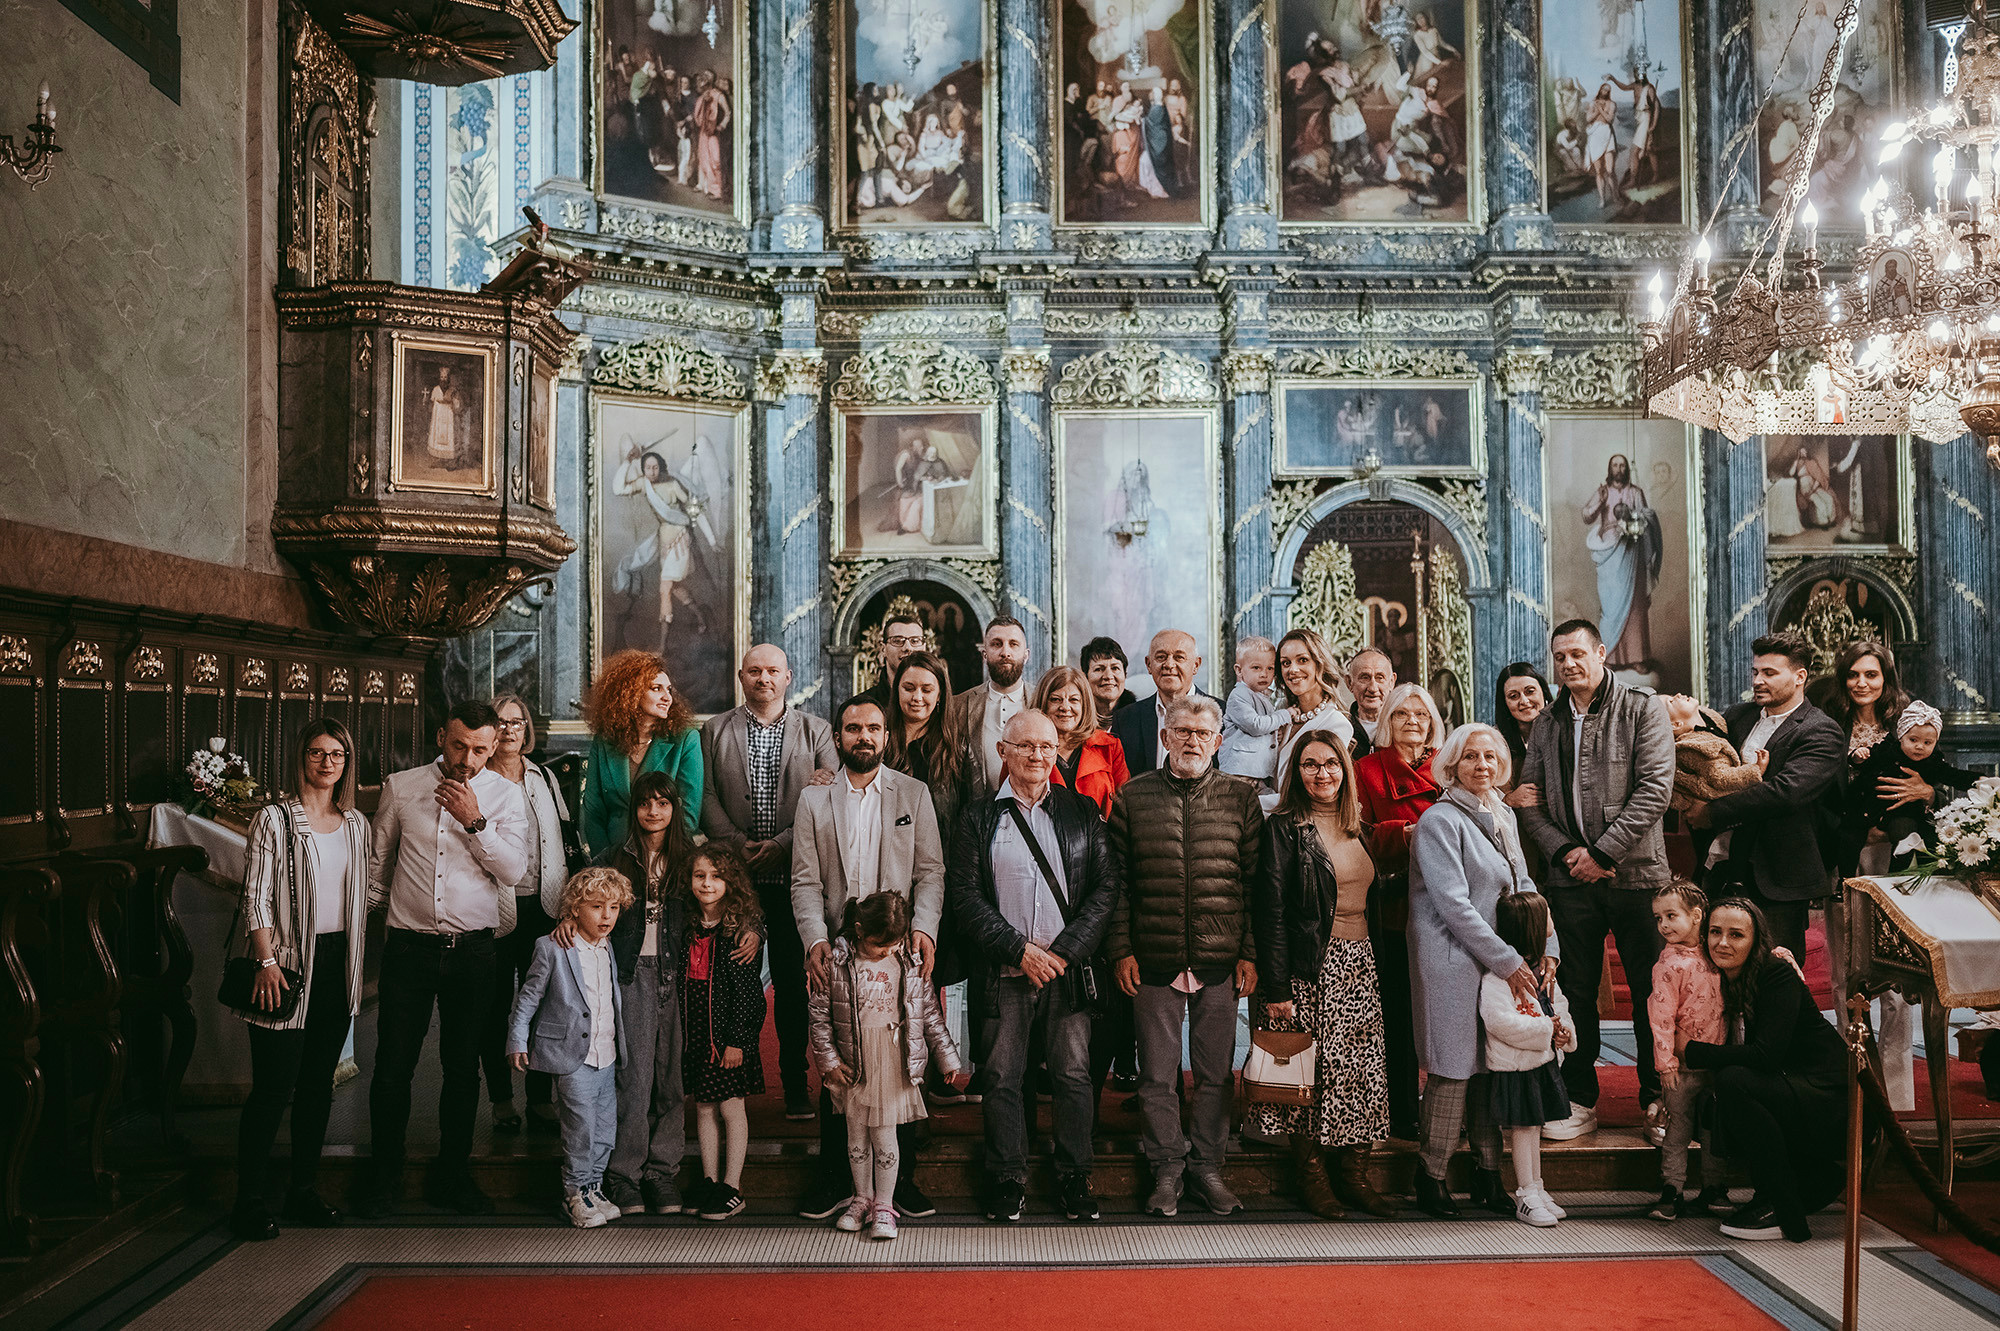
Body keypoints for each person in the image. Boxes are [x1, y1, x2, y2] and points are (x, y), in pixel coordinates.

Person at [946, 710, 1118, 1224]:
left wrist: (1063, 953)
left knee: (1072, 1074)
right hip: (1006, 970)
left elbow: (1105, 890)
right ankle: (1005, 1178)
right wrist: (1018, 950)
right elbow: (966, 898)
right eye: (1026, 746)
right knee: (1001, 1075)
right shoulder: (978, 818)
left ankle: (1074, 1175)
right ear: (1004, 752)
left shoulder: (1082, 812)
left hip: (1065, 969)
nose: (1038, 756)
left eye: (1046, 746)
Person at [360, 701, 531, 1217]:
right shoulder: (402, 786)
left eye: (481, 749)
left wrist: (474, 821)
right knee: (392, 1067)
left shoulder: (506, 795)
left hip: (474, 951)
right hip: (409, 948)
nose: (468, 758)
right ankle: (384, 1177)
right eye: (459, 746)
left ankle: (453, 1176)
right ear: (441, 736)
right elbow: (377, 865)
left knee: (462, 1069)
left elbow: (514, 871)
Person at [1515, 619, 1675, 1139]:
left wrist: (1603, 852)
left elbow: (1655, 790)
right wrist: (1566, 853)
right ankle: (1580, 1096)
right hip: (1570, 881)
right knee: (1575, 990)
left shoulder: (1641, 707)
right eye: (1560, 657)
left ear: (1601, 652)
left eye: (1578, 654)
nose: (1569, 665)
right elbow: (1530, 798)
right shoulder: (1547, 722)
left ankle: (1657, 1098)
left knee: (1652, 990)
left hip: (1636, 875)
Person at [790, 695, 946, 1220]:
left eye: (874, 729)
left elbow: (930, 872)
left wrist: (923, 928)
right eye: (853, 728)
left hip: (897, 948)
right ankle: (836, 1177)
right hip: (838, 948)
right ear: (838, 737)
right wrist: (814, 939)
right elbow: (806, 880)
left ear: (886, 737)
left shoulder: (913, 793)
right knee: (840, 1061)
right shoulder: (815, 800)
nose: (864, 737)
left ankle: (901, 1183)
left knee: (902, 1060)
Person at [1107, 694, 1262, 1219]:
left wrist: (1249, 953)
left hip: (1221, 958)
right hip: (1152, 955)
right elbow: (1119, 885)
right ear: (1166, 737)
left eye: (1202, 733)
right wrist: (1122, 949)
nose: (1192, 740)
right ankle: (1167, 1168)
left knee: (1215, 1073)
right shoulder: (1133, 796)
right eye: (1182, 731)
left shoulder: (1240, 799)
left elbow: (1251, 882)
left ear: (1218, 741)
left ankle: (1208, 1167)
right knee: (1156, 1074)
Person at [230, 719, 371, 1240]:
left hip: (339, 963)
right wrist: (265, 960)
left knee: (317, 1088)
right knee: (272, 1088)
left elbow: (365, 894)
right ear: (302, 757)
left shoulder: (356, 823)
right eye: (317, 752)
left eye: (337, 754)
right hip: (285, 963)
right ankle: (249, 1201)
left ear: (347, 762)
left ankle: (303, 1190)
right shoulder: (275, 819)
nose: (327, 762)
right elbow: (255, 896)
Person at [1407, 721, 1550, 1219]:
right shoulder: (1439, 821)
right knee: (1453, 1070)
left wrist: (1545, 943)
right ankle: (1432, 1176)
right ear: (1451, 764)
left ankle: (1489, 1176)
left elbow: (1524, 881)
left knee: (1492, 1066)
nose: (1482, 766)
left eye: (1491, 757)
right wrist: (1510, 961)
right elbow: (1453, 904)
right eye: (1470, 757)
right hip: (1451, 960)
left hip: (1497, 960)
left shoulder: (1502, 813)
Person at [1250, 731, 1394, 1221]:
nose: (1322, 774)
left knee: (1360, 1074)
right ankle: (1313, 1179)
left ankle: (1354, 1177)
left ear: (1345, 769)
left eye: (1331, 763)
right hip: (1309, 968)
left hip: (1360, 964)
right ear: (1296, 772)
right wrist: (1277, 987)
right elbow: (1269, 913)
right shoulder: (1284, 828)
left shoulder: (1361, 827)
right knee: (1309, 1078)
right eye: (1309, 765)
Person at [699, 644, 836, 1119]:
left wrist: (780, 843)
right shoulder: (714, 730)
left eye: (773, 671)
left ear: (788, 677)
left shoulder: (816, 731)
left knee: (793, 988)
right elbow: (706, 795)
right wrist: (736, 845)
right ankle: (726, 1082)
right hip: (734, 880)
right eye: (755, 671)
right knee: (731, 980)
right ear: (742, 676)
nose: (764, 678)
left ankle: (796, 1082)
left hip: (793, 876)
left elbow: (828, 800)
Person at [1685, 898, 1848, 1243]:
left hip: (1826, 1095)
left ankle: (1785, 1209)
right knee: (1719, 1093)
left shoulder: (1775, 974)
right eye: (1715, 932)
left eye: (1736, 935)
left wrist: (1695, 1052)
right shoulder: (1716, 977)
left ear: (1755, 940)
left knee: (1735, 1082)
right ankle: (1780, 1191)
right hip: (1790, 1085)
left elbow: (1766, 1055)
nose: (1723, 943)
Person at [810, 892, 967, 1241]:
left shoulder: (909, 962)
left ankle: (884, 1203)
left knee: (884, 1135)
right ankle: (860, 1198)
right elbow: (819, 1017)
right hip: (854, 1062)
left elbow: (928, 1013)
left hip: (892, 1062)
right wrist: (829, 1062)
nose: (885, 952)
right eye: (879, 946)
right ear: (860, 929)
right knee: (855, 1136)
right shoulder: (837, 961)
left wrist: (947, 1056)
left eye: (892, 944)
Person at [1685, 631, 1847, 959]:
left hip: (1779, 872)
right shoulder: (1737, 716)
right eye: (1755, 672)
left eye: (1770, 673)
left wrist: (1712, 812)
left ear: (1800, 677)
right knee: (1719, 972)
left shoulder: (1821, 729)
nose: (1759, 680)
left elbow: (1785, 793)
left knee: (1777, 976)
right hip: (1724, 866)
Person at [506, 867, 631, 1228]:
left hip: (606, 1052)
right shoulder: (553, 947)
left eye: (613, 907)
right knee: (580, 1127)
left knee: (605, 1127)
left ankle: (594, 1187)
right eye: (596, 907)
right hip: (571, 1057)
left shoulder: (611, 944)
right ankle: (574, 1193)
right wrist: (517, 1037)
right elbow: (528, 996)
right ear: (574, 909)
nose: (606, 916)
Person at [1352, 682, 1448, 1140]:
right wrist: (1406, 835)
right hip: (1393, 907)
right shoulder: (1365, 771)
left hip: (1447, 908)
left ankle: (1451, 1110)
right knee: (1400, 1014)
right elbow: (1355, 835)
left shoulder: (1449, 768)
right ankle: (1403, 1110)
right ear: (1385, 722)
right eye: (1401, 714)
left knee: (1448, 1013)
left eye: (1422, 715)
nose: (1413, 721)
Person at [480, 694, 575, 1139]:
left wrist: (571, 906)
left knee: (545, 1007)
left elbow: (567, 840)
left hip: (545, 906)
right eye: (500, 722)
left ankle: (540, 1099)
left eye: (517, 722)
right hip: (494, 907)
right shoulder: (476, 780)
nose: (509, 730)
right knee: (495, 1007)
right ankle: (501, 1101)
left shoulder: (544, 776)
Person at [680, 843, 766, 1222]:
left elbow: (751, 998)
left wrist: (739, 1041)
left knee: (731, 1108)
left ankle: (733, 1185)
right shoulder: (686, 926)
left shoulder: (740, 934)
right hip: (698, 1035)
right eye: (700, 876)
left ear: (732, 883)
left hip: (728, 1039)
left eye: (716, 876)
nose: (708, 883)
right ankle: (710, 1181)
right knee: (703, 1108)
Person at [1482, 890, 1576, 1227]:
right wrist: (1543, 1029)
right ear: (1533, 927)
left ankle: (1537, 1186)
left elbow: (1558, 1005)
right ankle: (1525, 1193)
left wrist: (1563, 1031)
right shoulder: (1499, 977)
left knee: (1535, 1127)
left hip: (1541, 1062)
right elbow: (1498, 1021)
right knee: (1523, 1130)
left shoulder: (1543, 969)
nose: (1553, 922)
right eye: (1547, 916)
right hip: (1517, 1067)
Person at [582, 650, 703, 858]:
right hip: (613, 855)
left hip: (667, 857)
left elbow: (689, 814)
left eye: (669, 690)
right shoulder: (604, 741)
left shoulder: (685, 739)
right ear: (631, 693)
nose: (667, 697)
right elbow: (593, 810)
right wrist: (606, 861)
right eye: (657, 689)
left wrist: (656, 858)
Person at [1846, 701, 1985, 868]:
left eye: (1928, 743)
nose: (1920, 747)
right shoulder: (1888, 750)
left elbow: (1953, 776)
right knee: (1849, 837)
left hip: (1905, 812)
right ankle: (1844, 879)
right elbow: (1866, 762)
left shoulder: (1932, 762)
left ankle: (1905, 874)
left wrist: (1978, 780)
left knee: (1908, 833)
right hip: (1870, 807)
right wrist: (1857, 756)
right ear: (1901, 736)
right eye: (1913, 740)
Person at [1109, 629, 1220, 775]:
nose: (1169, 664)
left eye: (1179, 657)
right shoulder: (1125, 719)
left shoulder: (1224, 715)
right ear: (1149, 664)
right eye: (1161, 657)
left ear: (1196, 665)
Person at [944, 616, 1032, 793]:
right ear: (984, 654)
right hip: (976, 815)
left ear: (1026, 655)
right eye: (996, 644)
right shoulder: (958, 706)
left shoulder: (1043, 701)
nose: (1005, 652)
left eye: (1013, 644)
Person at [1034, 664, 1130, 817]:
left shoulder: (1110, 747)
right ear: (1042, 703)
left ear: (1085, 705)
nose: (1065, 707)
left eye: (1074, 700)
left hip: (1100, 838)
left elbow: (1125, 809)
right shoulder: (1023, 748)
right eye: (1055, 699)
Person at [1274, 629, 1354, 769]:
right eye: (1286, 663)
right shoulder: (1279, 709)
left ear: (1320, 664)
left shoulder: (1336, 724)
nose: (1292, 669)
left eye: (1302, 660)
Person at [1220, 636, 1291, 783]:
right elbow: (1255, 726)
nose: (1264, 674)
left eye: (1270, 668)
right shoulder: (1238, 695)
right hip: (1239, 771)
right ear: (1239, 670)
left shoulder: (1262, 697)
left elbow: (1264, 730)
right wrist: (1285, 715)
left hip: (1257, 772)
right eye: (1256, 668)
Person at [1492, 663, 1554, 801]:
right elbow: (1481, 795)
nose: (1524, 701)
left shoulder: (1564, 730)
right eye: (1514, 696)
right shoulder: (1494, 743)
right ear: (1505, 704)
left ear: (1543, 692)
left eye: (1530, 691)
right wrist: (1509, 799)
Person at [861, 612, 928, 718]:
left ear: (924, 648)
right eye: (897, 641)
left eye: (914, 641)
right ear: (883, 649)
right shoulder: (863, 706)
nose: (907, 648)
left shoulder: (934, 703)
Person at [1346, 648, 1396, 761]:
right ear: (1349, 683)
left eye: (1380, 678)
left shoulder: (1402, 727)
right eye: (1364, 678)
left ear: (1392, 682)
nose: (1373, 688)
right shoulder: (1339, 727)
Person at [1081, 635, 1137, 715]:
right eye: (1099, 669)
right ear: (1085, 677)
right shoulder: (1073, 718)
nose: (1108, 676)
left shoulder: (1140, 717)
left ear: (1125, 674)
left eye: (1115, 668)